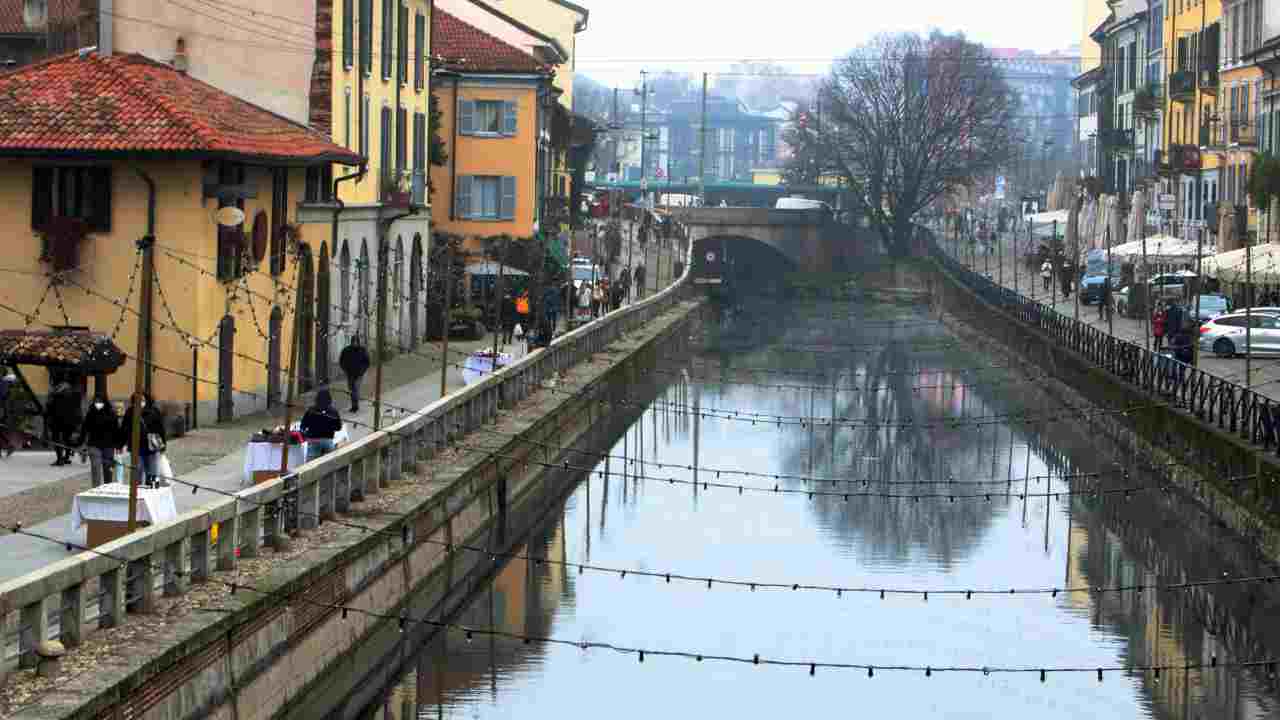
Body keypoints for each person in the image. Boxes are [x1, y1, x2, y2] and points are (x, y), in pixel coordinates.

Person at [118, 393, 166, 485]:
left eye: (142, 400)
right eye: (137, 399)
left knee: (153, 474)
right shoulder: (130, 412)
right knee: (137, 473)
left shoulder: (154, 411)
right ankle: (137, 494)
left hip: (151, 447)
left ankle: (152, 492)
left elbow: (161, 429)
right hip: (136, 447)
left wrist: (163, 445)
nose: (140, 402)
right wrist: (120, 444)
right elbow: (124, 429)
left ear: (147, 400)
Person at [77, 393, 119, 486]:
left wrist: (118, 445)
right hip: (94, 445)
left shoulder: (111, 413)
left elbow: (116, 430)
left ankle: (108, 487)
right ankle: (95, 489)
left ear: (104, 402)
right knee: (95, 468)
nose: (97, 403)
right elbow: (85, 429)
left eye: (100, 401)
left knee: (108, 469)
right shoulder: (90, 413)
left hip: (108, 445)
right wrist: (80, 444)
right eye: (96, 401)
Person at [300, 389, 342, 462]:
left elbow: (303, 425)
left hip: (313, 439)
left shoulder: (311, 410)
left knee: (311, 464)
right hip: (327, 439)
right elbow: (338, 427)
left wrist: (306, 432)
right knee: (331, 462)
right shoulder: (333, 411)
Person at [45, 380, 81, 466]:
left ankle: (60, 459)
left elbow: (49, 407)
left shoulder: (55, 396)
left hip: (57, 420)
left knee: (56, 439)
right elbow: (77, 409)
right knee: (67, 439)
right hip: (70, 421)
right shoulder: (74, 396)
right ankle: (66, 458)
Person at [338, 336, 371, 413]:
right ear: (351, 342)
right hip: (350, 374)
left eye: (356, 342)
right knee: (351, 389)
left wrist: (362, 371)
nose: (355, 343)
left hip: (359, 375)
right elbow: (341, 361)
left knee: (356, 389)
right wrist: (345, 369)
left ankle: (355, 406)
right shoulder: (346, 350)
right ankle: (354, 405)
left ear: (358, 342)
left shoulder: (362, 350)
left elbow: (367, 362)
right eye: (353, 342)